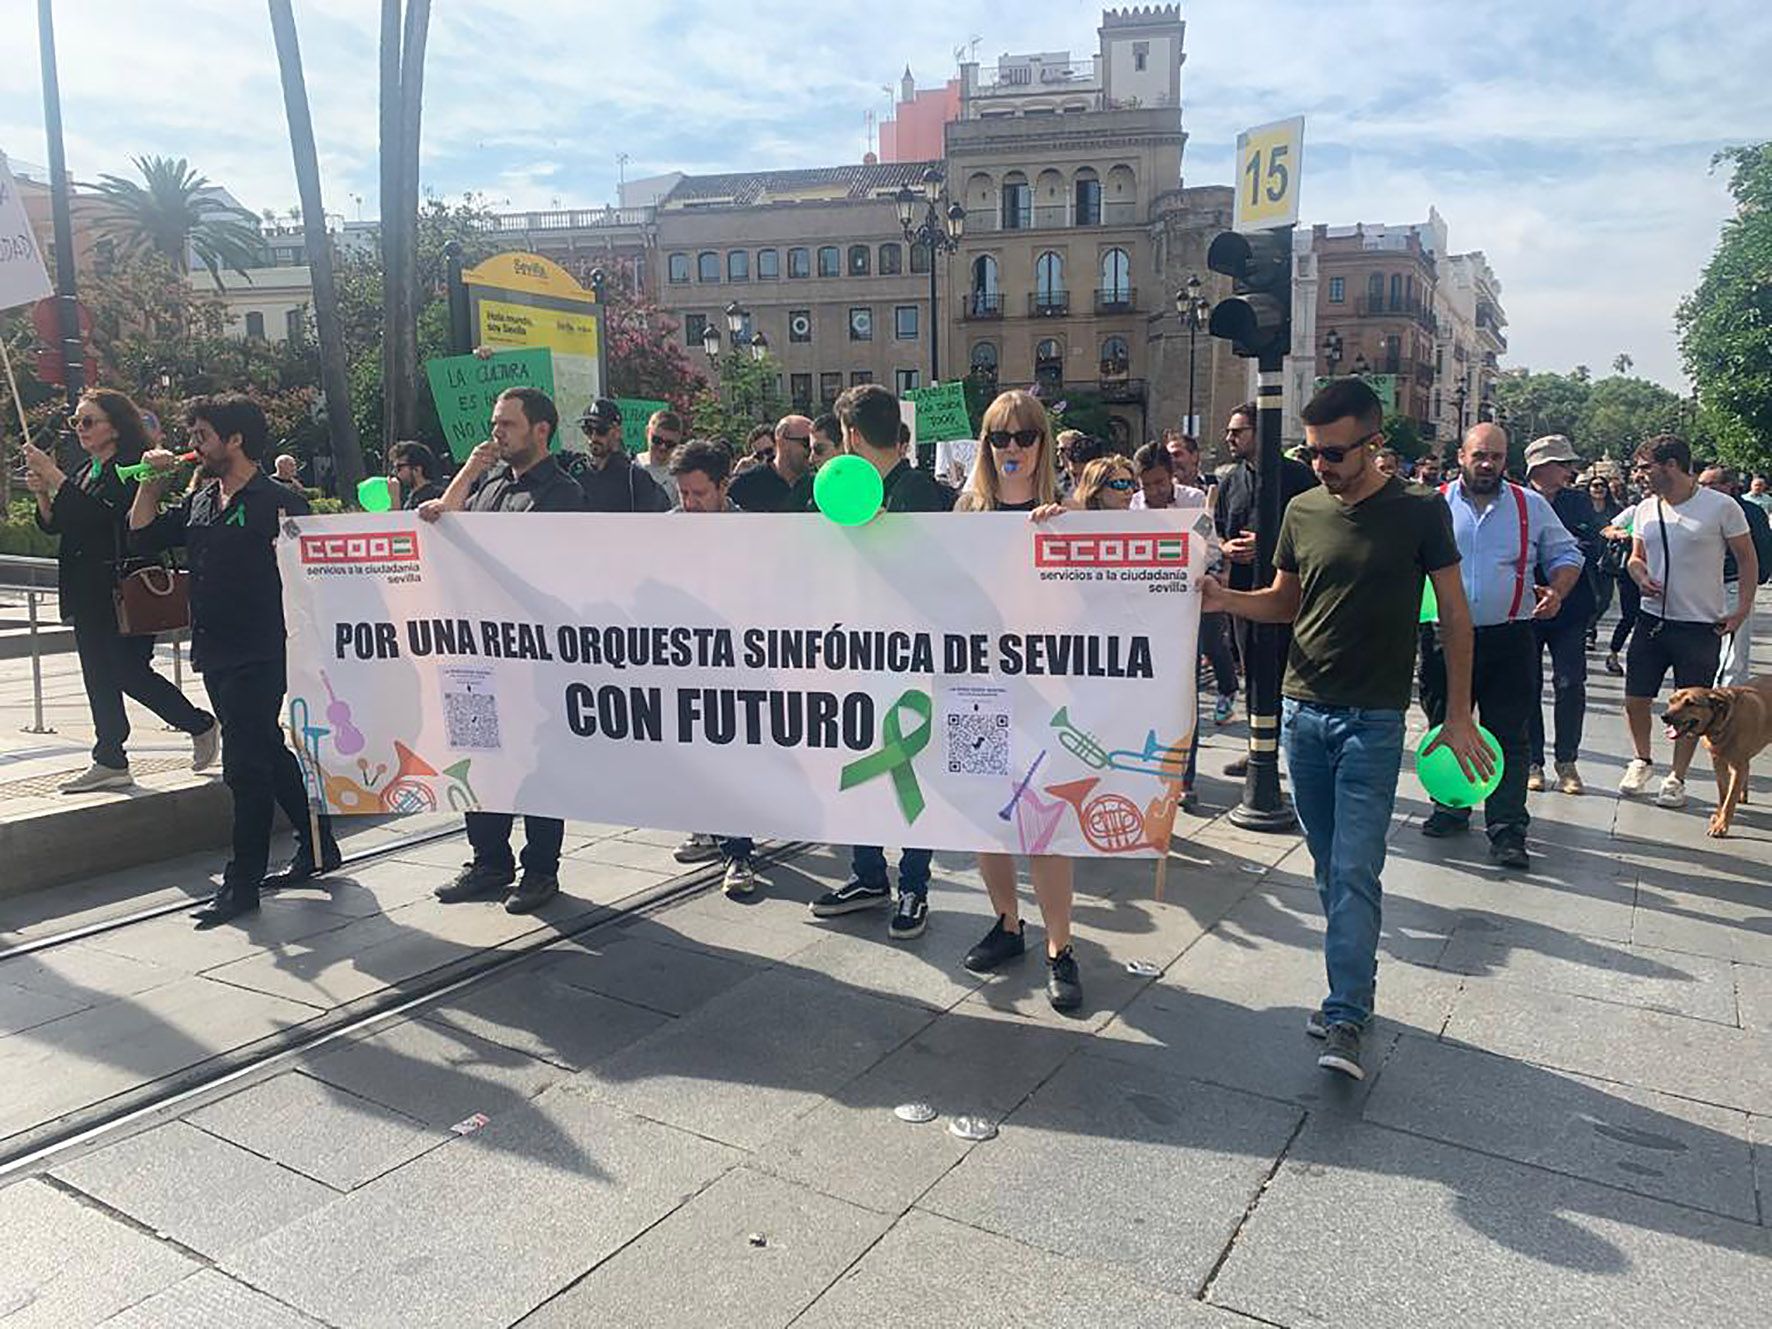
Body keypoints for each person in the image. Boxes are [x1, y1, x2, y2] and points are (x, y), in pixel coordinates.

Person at [1203, 377, 1490, 1080]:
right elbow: (1282, 603)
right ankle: (1350, 982)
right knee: (1333, 869)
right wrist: (1221, 597)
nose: (1321, 465)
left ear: (1373, 443)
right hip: (1303, 714)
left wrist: (1455, 715)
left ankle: (1346, 1013)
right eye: (1313, 451)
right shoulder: (1302, 509)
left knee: (1357, 868)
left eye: (1334, 453)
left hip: (1374, 720)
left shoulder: (1420, 512)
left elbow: (1453, 614)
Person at [128, 395, 337, 927]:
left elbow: (311, 575)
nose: (194, 445)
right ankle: (319, 843)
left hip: (264, 647)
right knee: (265, 744)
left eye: (202, 435)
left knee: (244, 766)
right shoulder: (202, 500)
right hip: (214, 647)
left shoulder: (279, 500)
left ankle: (242, 881)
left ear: (235, 439)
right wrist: (151, 481)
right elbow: (143, 531)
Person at [419, 387, 586, 911]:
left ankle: (541, 869)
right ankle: (489, 860)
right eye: (495, 423)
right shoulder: (489, 485)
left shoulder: (562, 492)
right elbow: (441, 520)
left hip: (533, 654)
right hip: (482, 651)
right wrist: (468, 473)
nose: (497, 433)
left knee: (538, 762)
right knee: (482, 755)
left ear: (541, 430)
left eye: (508, 424)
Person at [806, 384, 952, 939]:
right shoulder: (864, 490)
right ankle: (869, 874)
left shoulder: (918, 491)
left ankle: (913, 883)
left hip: (911, 658)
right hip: (862, 654)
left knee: (913, 769)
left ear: (850, 435)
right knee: (863, 765)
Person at [955, 389, 1083, 1011]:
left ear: (1041, 443)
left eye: (1023, 436)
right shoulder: (965, 512)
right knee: (986, 816)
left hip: (1044, 691)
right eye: (998, 438)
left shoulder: (1065, 514)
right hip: (977, 688)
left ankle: (1061, 946)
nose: (1011, 448)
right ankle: (1008, 923)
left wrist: (1063, 535)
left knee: (1043, 825)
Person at [24, 390, 219, 793]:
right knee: (97, 673)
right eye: (76, 422)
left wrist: (53, 474)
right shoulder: (85, 469)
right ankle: (109, 755)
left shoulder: (129, 466)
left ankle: (198, 722)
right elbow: (60, 522)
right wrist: (43, 490)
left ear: (114, 425)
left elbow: (100, 514)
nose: (79, 429)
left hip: (123, 586)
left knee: (127, 670)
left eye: (88, 421)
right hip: (85, 588)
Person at [1419, 426, 1583, 870]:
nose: (1487, 464)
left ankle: (1508, 828)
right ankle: (1450, 806)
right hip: (1441, 638)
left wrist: (1558, 590)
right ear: (1461, 457)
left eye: (1495, 456)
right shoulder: (1431, 503)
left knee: (1511, 734)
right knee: (1444, 724)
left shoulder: (1529, 506)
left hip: (1508, 636)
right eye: (1479, 456)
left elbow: (1568, 554)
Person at [1618, 435, 1757, 807]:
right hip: (1652, 620)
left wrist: (1742, 608)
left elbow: (1747, 558)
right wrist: (1638, 574)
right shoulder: (1646, 508)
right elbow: (1636, 555)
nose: (1640, 475)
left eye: (1646, 467)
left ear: (1671, 466)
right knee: (1635, 697)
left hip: (1700, 623)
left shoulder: (1720, 507)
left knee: (1693, 710)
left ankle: (1676, 778)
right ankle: (1641, 759)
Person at [1212, 400, 1317, 777]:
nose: (1230, 438)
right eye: (1229, 431)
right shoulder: (1229, 480)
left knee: (1291, 674)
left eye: (1238, 431)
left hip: (1290, 596)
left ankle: (1295, 748)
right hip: (1244, 595)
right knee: (1253, 670)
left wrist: (1270, 545)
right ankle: (1259, 748)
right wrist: (1227, 548)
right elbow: (1220, 529)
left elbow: (1316, 532)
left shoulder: (1298, 477)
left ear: (1261, 433)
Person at [1521, 435, 1602, 796]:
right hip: (1526, 605)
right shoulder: (1516, 499)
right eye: (1563, 463)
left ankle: (1567, 760)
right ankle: (1532, 760)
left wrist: (1555, 553)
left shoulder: (1577, 501)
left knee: (1570, 682)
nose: (1570, 470)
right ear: (1541, 466)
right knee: (1527, 683)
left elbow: (1589, 543)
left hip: (1570, 605)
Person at [1697, 464, 1771, 687]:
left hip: (1732, 585)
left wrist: (1756, 579)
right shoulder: (1697, 510)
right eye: (1702, 484)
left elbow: (1764, 547)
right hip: (1699, 586)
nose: (1705, 489)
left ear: (1729, 486)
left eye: (1712, 484)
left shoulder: (1749, 511)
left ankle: (1729, 699)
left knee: (1733, 652)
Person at [570, 398, 671, 512]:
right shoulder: (576, 472)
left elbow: (659, 520)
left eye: (601, 430)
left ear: (618, 432)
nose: (593, 437)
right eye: (588, 430)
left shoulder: (634, 477)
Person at [728, 414, 815, 513]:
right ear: (782, 442)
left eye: (816, 446)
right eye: (806, 443)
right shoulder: (744, 485)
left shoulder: (818, 485)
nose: (812, 451)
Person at [638, 409, 685, 507]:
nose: (662, 447)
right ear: (647, 432)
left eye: (670, 444)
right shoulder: (633, 465)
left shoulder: (681, 475)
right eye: (657, 440)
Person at [1071, 454, 1137, 510]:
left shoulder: (1140, 521)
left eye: (1131, 484)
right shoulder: (1075, 522)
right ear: (1097, 491)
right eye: (1120, 483)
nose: (1129, 491)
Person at [390, 440, 443, 509]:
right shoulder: (411, 498)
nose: (395, 473)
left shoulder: (434, 496)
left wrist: (394, 497)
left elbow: (399, 520)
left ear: (417, 469)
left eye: (399, 467)